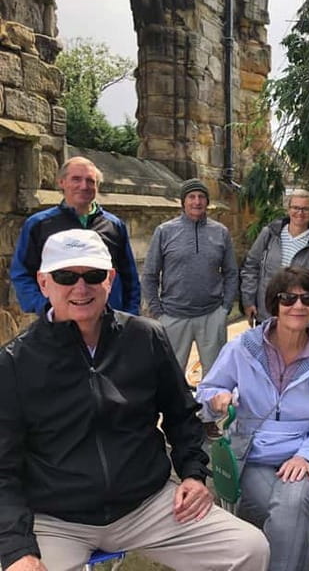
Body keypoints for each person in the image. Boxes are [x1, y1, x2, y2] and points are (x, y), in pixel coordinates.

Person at [0, 229, 269, 571]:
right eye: (66, 276)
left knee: (249, 549)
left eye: (93, 275)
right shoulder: (15, 362)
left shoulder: (145, 336)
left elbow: (181, 415)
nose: (81, 288)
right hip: (58, 518)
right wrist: (17, 548)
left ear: (110, 279)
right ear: (43, 282)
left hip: (145, 505)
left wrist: (193, 475)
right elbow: (3, 467)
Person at [196, 267, 309, 571]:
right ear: (274, 303)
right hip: (252, 455)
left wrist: (305, 455)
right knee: (297, 523)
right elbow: (207, 390)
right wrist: (217, 399)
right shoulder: (243, 347)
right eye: (288, 298)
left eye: (308, 298)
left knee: (291, 505)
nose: (298, 305)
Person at [10, 156, 141, 315]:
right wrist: (44, 307)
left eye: (91, 181)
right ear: (61, 182)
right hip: (61, 322)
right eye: (76, 179)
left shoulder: (113, 225)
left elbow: (129, 277)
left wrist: (129, 314)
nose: (84, 186)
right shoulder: (39, 224)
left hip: (108, 321)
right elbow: (21, 272)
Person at [141, 178, 238, 375]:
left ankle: (210, 408)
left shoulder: (220, 232)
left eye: (201, 197)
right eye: (191, 197)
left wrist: (225, 308)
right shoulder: (165, 232)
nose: (197, 201)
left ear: (207, 201)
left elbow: (231, 272)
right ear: (183, 201)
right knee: (170, 377)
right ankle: (176, 408)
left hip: (211, 316)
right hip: (173, 316)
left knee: (217, 377)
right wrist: (158, 313)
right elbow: (150, 275)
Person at [240, 189, 309, 324]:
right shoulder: (270, 234)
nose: (300, 213)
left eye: (306, 209)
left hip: (297, 313)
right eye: (296, 207)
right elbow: (251, 267)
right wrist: (248, 300)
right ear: (288, 209)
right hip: (266, 310)